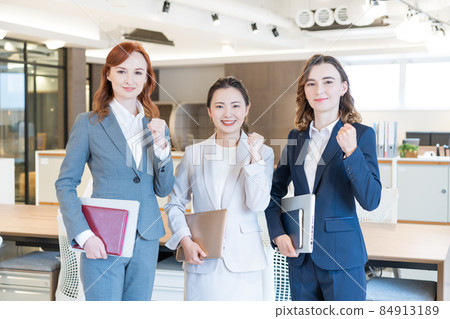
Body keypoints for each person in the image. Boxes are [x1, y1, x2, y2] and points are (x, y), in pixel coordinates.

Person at [55, 41, 174, 301]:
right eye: (121, 71)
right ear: (108, 74)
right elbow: (65, 183)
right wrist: (84, 236)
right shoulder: (88, 123)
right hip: (103, 236)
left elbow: (163, 189)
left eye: (138, 72)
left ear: (147, 79)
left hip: (146, 236)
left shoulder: (155, 126)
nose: (129, 79)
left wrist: (163, 148)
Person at [265, 54, 381, 301]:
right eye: (311, 83)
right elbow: (274, 192)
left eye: (328, 82)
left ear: (343, 87)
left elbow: (371, 200)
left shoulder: (361, 135)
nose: (320, 90)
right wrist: (277, 233)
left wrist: (352, 152)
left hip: (342, 258)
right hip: (300, 258)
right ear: (304, 91)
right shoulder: (296, 139)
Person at [165, 76, 274, 300]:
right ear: (209, 111)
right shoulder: (194, 153)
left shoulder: (264, 153)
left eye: (235, 106)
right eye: (219, 106)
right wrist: (185, 240)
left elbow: (258, 203)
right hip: (202, 258)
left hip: (245, 263)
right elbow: (175, 203)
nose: (228, 114)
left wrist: (254, 157)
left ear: (246, 110)